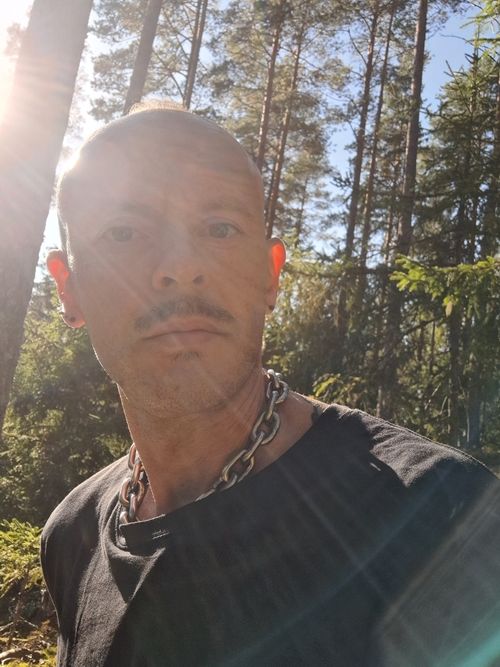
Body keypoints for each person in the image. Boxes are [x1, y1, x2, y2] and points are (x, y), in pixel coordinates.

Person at [42, 104, 500, 667]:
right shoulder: (71, 535)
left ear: (270, 274)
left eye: (220, 228)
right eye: (123, 233)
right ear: (68, 289)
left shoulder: (446, 522)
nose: (180, 267)